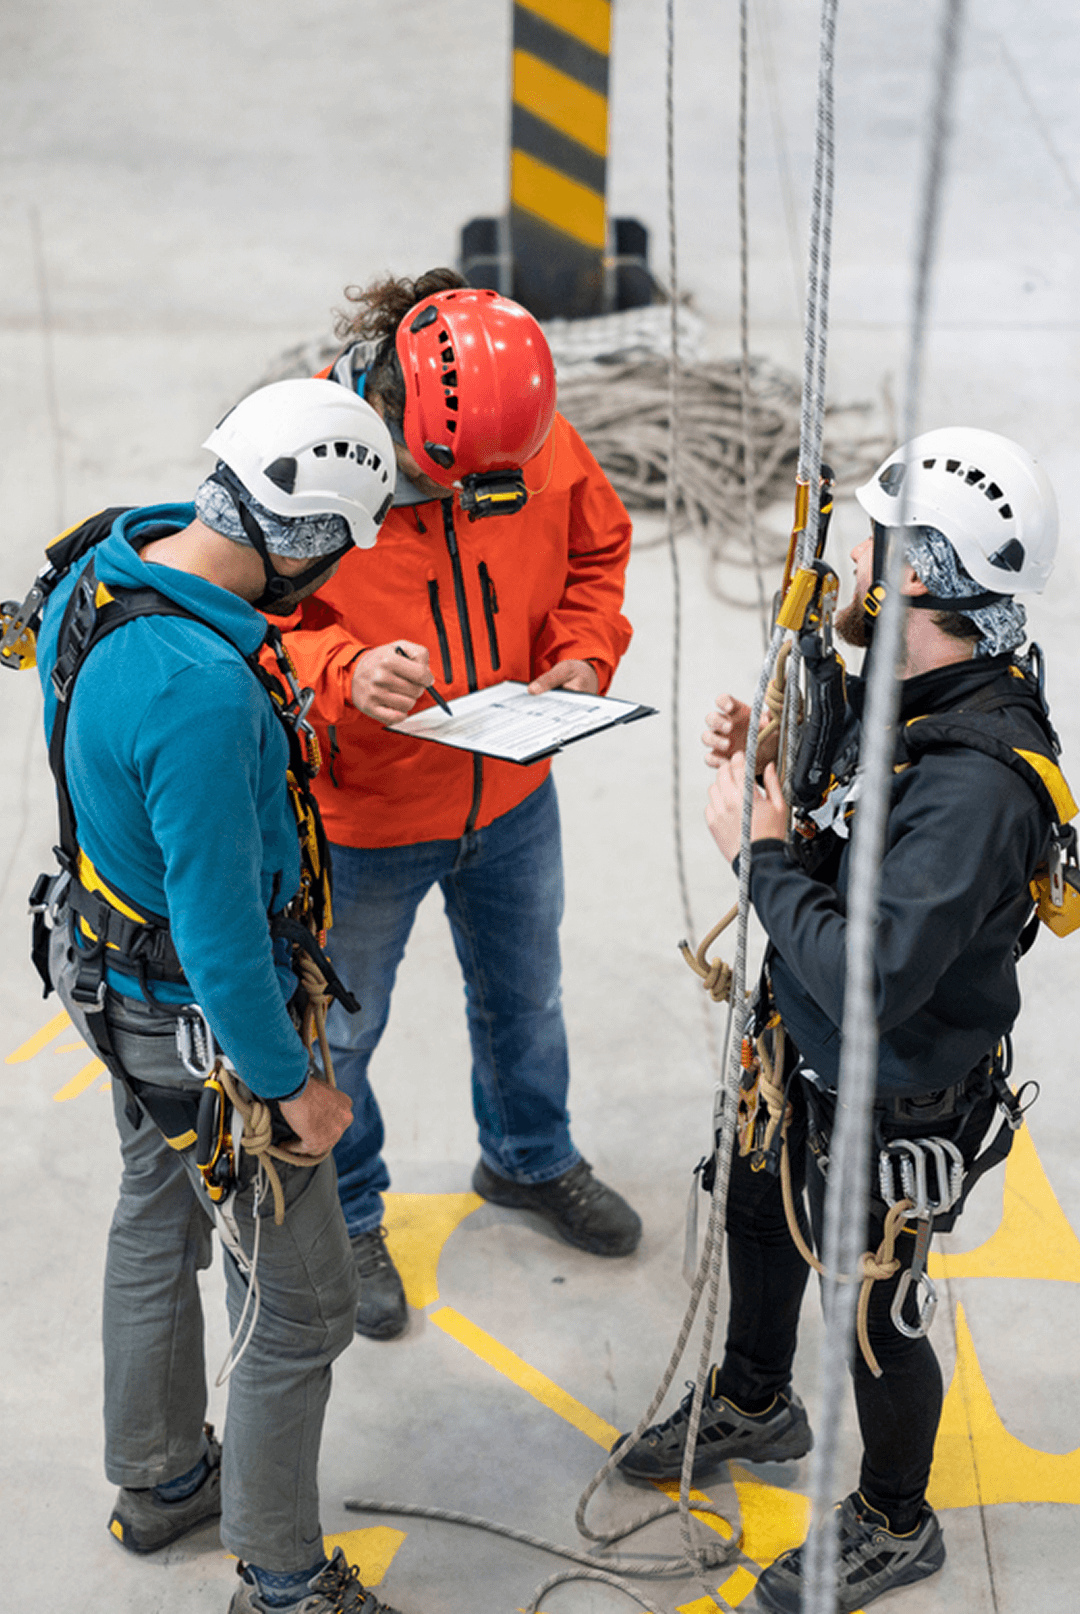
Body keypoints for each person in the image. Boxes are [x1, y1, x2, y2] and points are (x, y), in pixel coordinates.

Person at [613, 429, 1072, 1612]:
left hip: (894, 1075)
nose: (849, 556)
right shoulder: (907, 676)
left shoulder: (977, 784)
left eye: (870, 538)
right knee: (758, 1204)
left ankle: (894, 1518)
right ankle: (757, 1401)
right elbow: (852, 819)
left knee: (878, 1306)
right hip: (799, 1036)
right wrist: (779, 769)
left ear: (916, 571)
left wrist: (760, 855)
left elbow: (873, 983)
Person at [22, 379, 409, 1613]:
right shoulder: (199, 687)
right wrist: (292, 1088)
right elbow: (223, 932)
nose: (333, 579)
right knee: (304, 1311)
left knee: (155, 1206)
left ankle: (161, 1477)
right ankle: (286, 1581)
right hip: (197, 1016)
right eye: (336, 547)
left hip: (101, 961)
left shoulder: (108, 558)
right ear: (296, 540)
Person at [278, 267, 642, 1340]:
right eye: (446, 479)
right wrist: (339, 669)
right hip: (364, 823)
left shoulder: (524, 435)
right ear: (391, 406)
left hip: (514, 791)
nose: (474, 495)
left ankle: (528, 1157)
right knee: (339, 1037)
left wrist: (580, 657)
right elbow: (236, 622)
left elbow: (595, 552)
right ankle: (344, 1213)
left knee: (526, 998)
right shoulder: (300, 464)